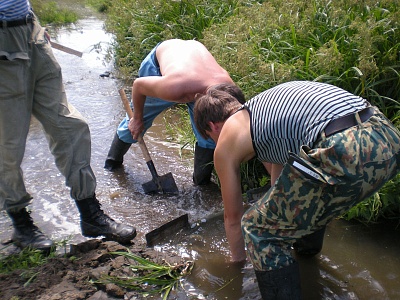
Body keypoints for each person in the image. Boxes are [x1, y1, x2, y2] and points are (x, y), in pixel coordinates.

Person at [194, 81, 400, 299]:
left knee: (258, 231)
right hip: (386, 135)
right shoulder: (268, 115)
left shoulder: (228, 136)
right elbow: (285, 188)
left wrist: (236, 267)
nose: (216, 143)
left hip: (345, 145)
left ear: (213, 126)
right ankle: (306, 256)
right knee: (298, 202)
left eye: (211, 138)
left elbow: (233, 218)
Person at [0, 0, 137, 253]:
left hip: (31, 31)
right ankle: (21, 223)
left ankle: (90, 214)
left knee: (72, 127)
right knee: (8, 144)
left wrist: (33, 23)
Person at [104, 39, 244, 185]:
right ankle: (112, 165)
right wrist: (137, 118)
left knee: (208, 139)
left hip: (195, 67)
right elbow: (138, 86)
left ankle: (202, 183)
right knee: (134, 126)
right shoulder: (173, 89)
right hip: (160, 66)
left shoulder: (230, 95)